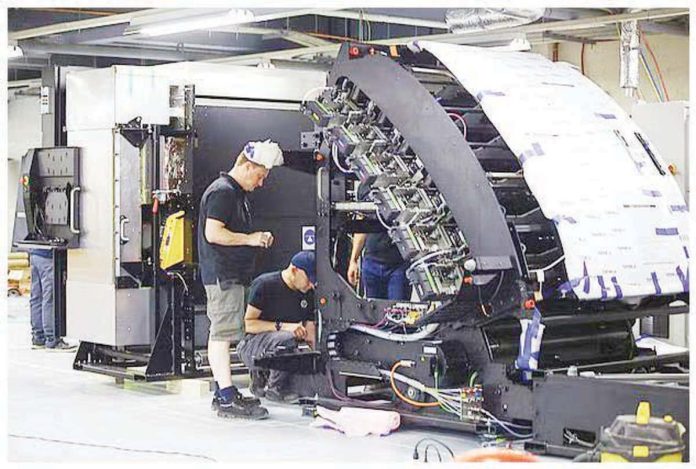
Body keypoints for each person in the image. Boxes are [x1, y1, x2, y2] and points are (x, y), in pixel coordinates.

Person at [198, 139, 283, 420]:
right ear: (247, 166)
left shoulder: (234, 194)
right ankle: (225, 396)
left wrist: (254, 240)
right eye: (259, 177)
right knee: (221, 335)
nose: (260, 184)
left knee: (226, 333)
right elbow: (213, 233)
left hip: (232, 275)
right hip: (223, 276)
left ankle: (226, 391)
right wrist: (250, 238)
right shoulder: (222, 193)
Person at [238, 251, 316, 404]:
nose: (311, 285)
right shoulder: (264, 285)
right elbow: (248, 324)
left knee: (307, 387)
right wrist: (283, 327)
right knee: (286, 338)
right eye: (309, 279)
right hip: (252, 344)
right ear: (294, 271)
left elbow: (310, 331)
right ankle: (275, 388)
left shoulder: (306, 292)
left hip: (285, 345)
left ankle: (264, 378)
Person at [347, 184, 411, 300]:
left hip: (398, 264)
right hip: (372, 263)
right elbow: (361, 226)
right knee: (375, 314)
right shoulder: (365, 187)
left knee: (399, 312)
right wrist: (353, 260)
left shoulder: (402, 183)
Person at [29, 249, 75, 351]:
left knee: (37, 297)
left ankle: (38, 338)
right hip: (48, 256)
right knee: (50, 298)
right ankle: (52, 339)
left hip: (34, 253)